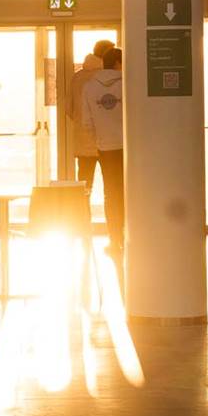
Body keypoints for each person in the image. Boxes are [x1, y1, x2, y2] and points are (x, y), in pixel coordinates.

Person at [79, 46, 125, 257]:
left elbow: (87, 122)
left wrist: (99, 136)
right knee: (130, 193)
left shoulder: (89, 87)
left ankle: (114, 239)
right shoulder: (127, 84)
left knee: (110, 193)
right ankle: (132, 236)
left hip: (105, 146)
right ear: (118, 63)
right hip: (129, 147)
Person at [64, 39, 114, 198]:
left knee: (84, 188)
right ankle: (115, 222)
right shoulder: (112, 78)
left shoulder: (77, 77)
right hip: (109, 141)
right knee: (112, 186)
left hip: (83, 141)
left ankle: (82, 220)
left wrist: (82, 123)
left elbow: (69, 109)